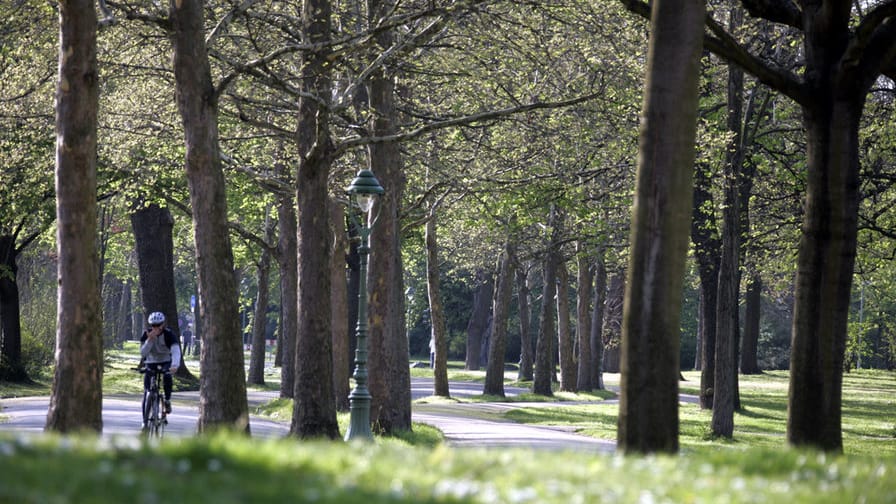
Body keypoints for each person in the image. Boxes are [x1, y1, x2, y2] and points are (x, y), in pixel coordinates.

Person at [139, 311, 181, 427]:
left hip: (165, 360)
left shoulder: (169, 335)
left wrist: (175, 365)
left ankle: (167, 400)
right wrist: (149, 340)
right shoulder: (146, 334)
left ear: (163, 325)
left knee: (167, 376)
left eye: (158, 325)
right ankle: (144, 421)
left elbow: (176, 351)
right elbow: (143, 353)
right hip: (151, 361)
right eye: (153, 325)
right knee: (147, 392)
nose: (156, 328)